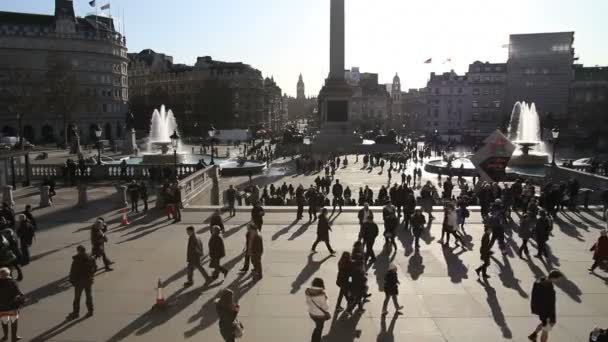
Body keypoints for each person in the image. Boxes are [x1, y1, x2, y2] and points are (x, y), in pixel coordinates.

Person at [528, 270, 564, 342]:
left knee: (546, 326)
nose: (558, 281)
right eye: (558, 279)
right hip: (547, 313)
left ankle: (533, 335)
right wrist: (547, 317)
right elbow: (546, 303)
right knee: (546, 330)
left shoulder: (542, 280)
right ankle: (534, 336)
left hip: (545, 311)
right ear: (553, 278)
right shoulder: (546, 288)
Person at [67, 245, 97, 320]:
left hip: (79, 282)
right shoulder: (90, 258)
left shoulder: (77, 259)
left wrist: (72, 281)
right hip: (88, 280)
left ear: (78, 251)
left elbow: (73, 271)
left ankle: (76, 313)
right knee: (89, 296)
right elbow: (95, 268)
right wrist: (91, 275)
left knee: (77, 298)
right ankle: (90, 311)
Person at [0, 267, 23, 342]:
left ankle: (5, 336)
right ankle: (14, 338)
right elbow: (18, 293)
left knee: (4, 321)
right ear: (9, 274)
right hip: (12, 307)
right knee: (14, 321)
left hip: (1, 307)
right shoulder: (13, 282)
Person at [306, 278, 330, 342]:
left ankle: (313, 339)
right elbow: (325, 307)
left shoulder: (308, 291)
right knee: (319, 329)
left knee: (317, 327)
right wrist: (327, 300)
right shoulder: (322, 294)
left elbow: (308, 302)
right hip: (320, 315)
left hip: (312, 313)